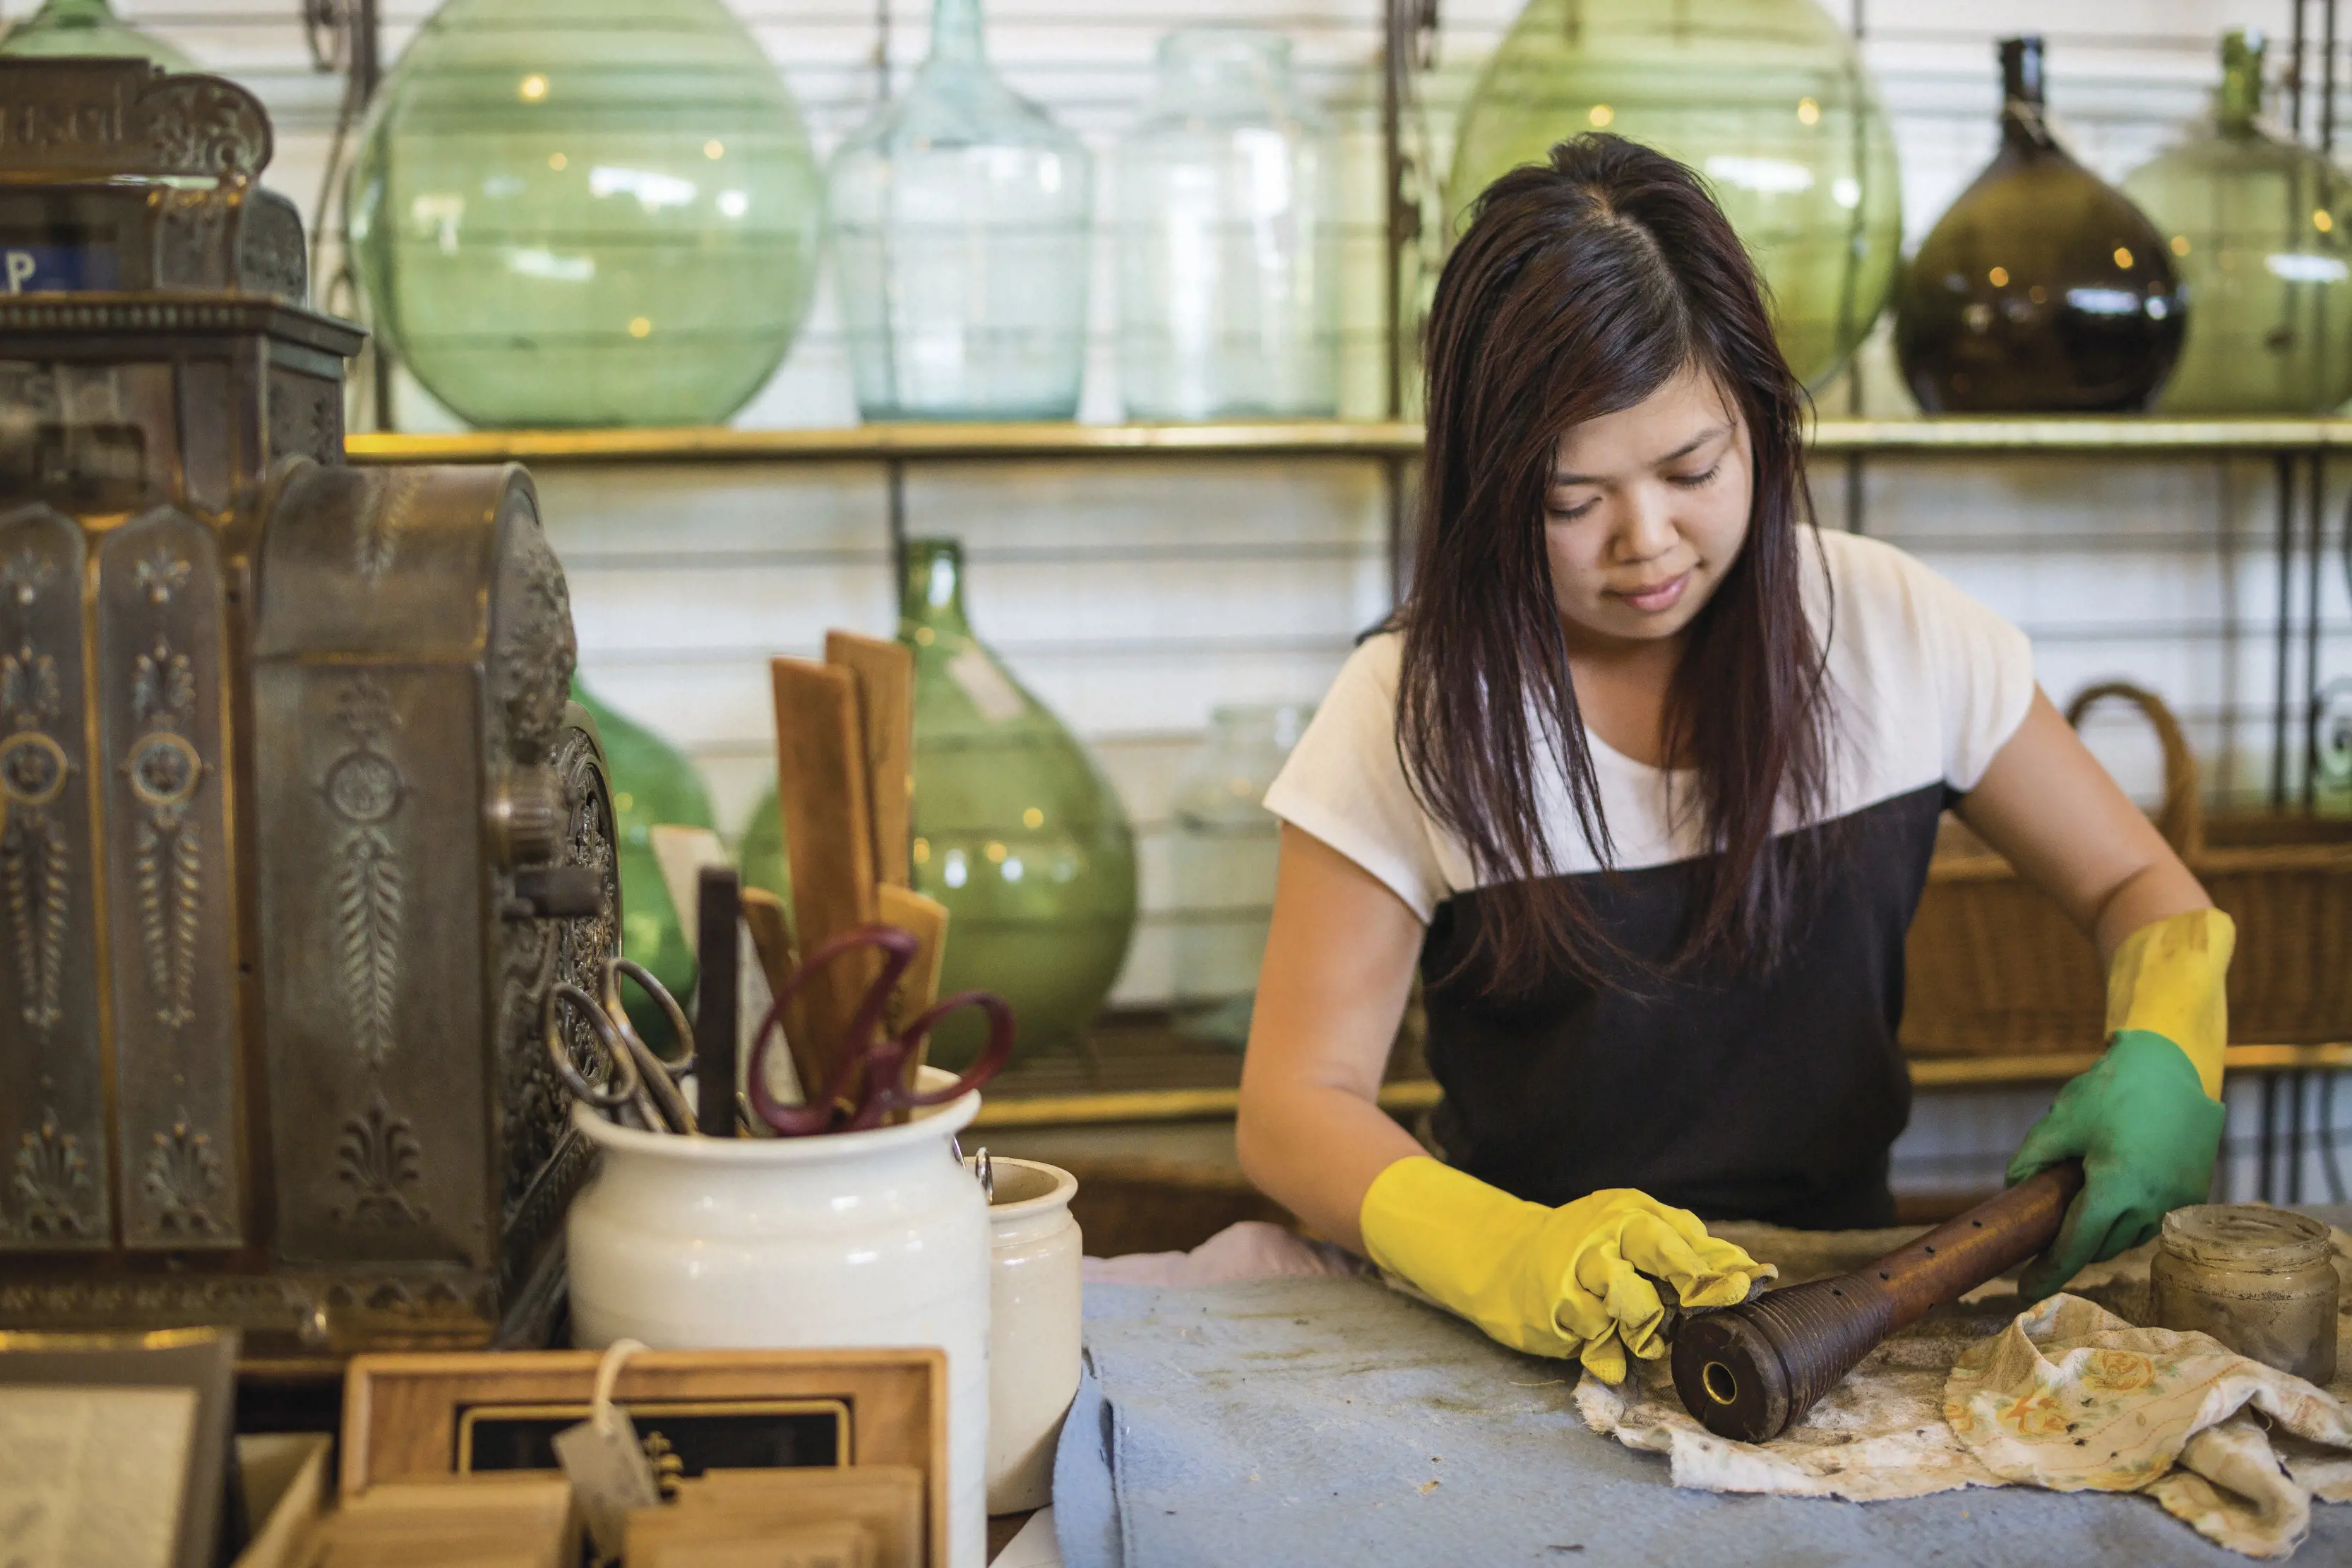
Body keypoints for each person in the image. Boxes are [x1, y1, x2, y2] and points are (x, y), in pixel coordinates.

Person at [1234, 135, 2232, 1382]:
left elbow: (2138, 892)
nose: (1643, 541)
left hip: (1847, 1311)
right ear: (1486, 491)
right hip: (1527, 1343)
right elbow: (1293, 1106)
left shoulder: (1892, 628)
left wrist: (2167, 1044)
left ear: (1759, 418)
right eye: (1569, 497)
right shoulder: (1411, 704)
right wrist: (1501, 1251)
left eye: (1690, 469)